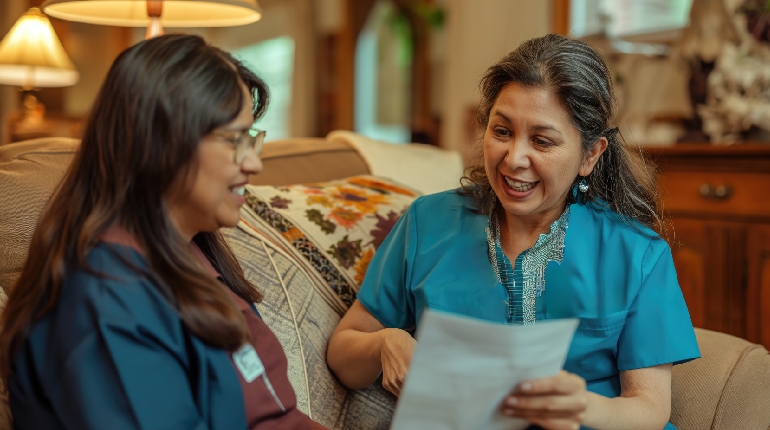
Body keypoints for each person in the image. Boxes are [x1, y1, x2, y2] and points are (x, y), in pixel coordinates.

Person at [327, 34, 700, 430]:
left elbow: (650, 408)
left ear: (590, 155)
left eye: (541, 141)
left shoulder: (637, 254)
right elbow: (343, 354)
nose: (514, 158)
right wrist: (386, 342)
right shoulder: (426, 223)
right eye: (502, 131)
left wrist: (581, 407)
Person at [0, 34, 326, 430]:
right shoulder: (104, 297)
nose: (254, 164)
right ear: (160, 142)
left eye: (252, 138)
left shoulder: (195, 256)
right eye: (234, 140)